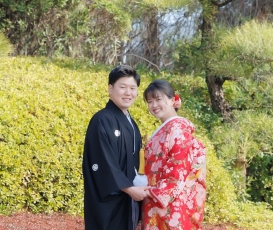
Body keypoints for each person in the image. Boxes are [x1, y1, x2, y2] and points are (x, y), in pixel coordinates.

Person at [83, 65, 151, 230]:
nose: (128, 93)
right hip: (109, 199)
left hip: (128, 199)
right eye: (123, 87)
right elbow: (104, 161)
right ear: (110, 88)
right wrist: (129, 189)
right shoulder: (102, 120)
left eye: (132, 88)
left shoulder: (131, 123)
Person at [142, 79, 207, 230]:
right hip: (157, 197)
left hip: (170, 202)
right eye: (150, 101)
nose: (154, 105)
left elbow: (178, 167)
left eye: (159, 99)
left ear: (172, 100)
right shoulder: (168, 127)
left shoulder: (178, 128)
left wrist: (155, 192)